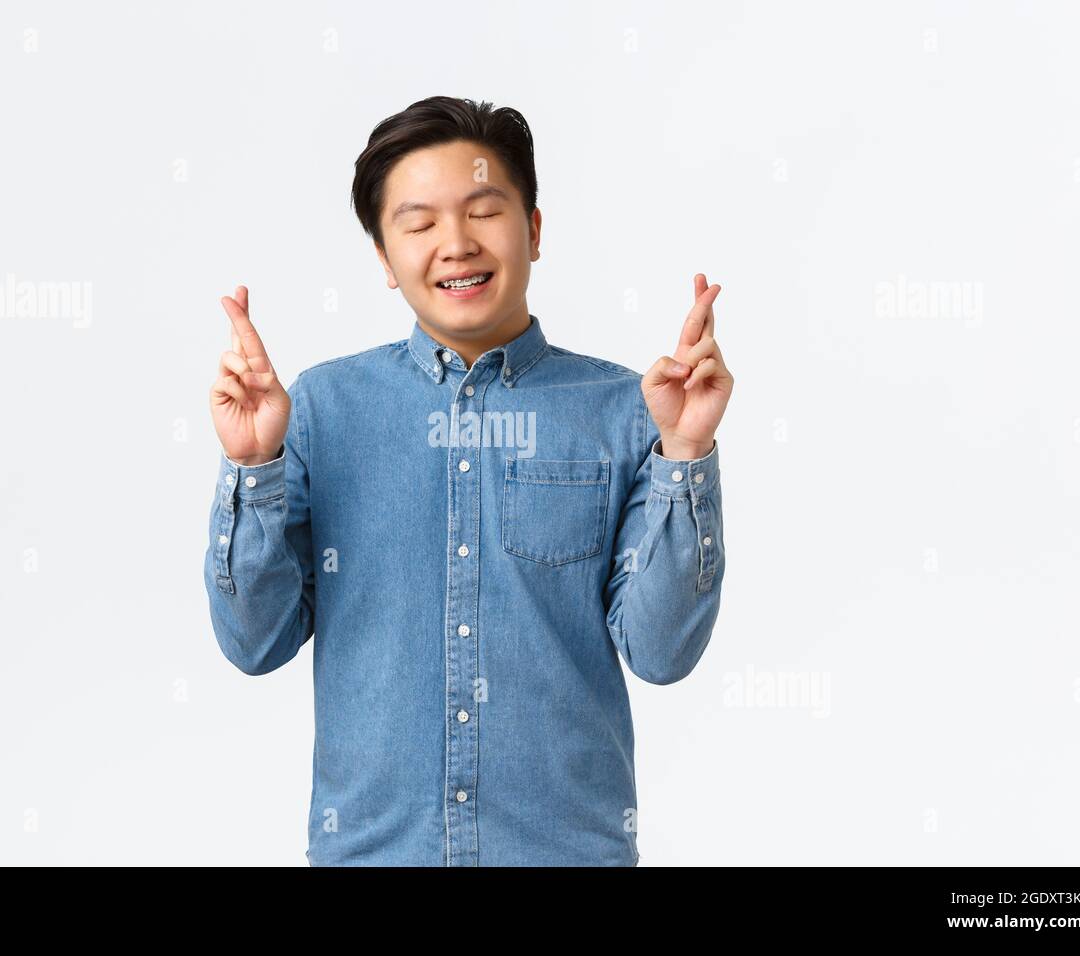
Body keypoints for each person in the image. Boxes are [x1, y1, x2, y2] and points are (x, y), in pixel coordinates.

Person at [204, 95, 733, 866]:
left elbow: (662, 653)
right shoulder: (319, 409)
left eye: (484, 212)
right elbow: (254, 643)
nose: (455, 244)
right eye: (418, 224)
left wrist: (684, 451)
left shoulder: (626, 409)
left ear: (534, 230)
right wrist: (254, 467)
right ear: (384, 259)